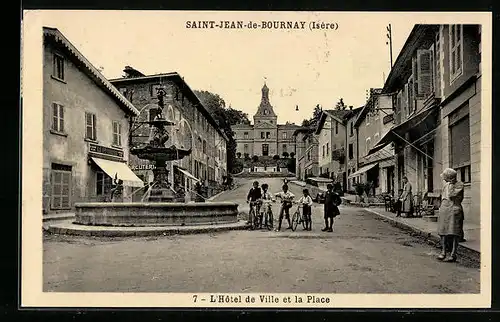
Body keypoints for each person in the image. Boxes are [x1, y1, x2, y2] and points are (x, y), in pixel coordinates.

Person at [437, 168, 465, 262]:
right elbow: (443, 197)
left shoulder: (459, 185)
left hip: (454, 209)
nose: (443, 178)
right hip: (445, 209)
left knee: (454, 232)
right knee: (443, 231)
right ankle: (443, 251)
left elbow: (451, 195)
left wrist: (452, 183)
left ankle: (453, 254)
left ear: (449, 177)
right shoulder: (446, 185)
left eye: (445, 177)